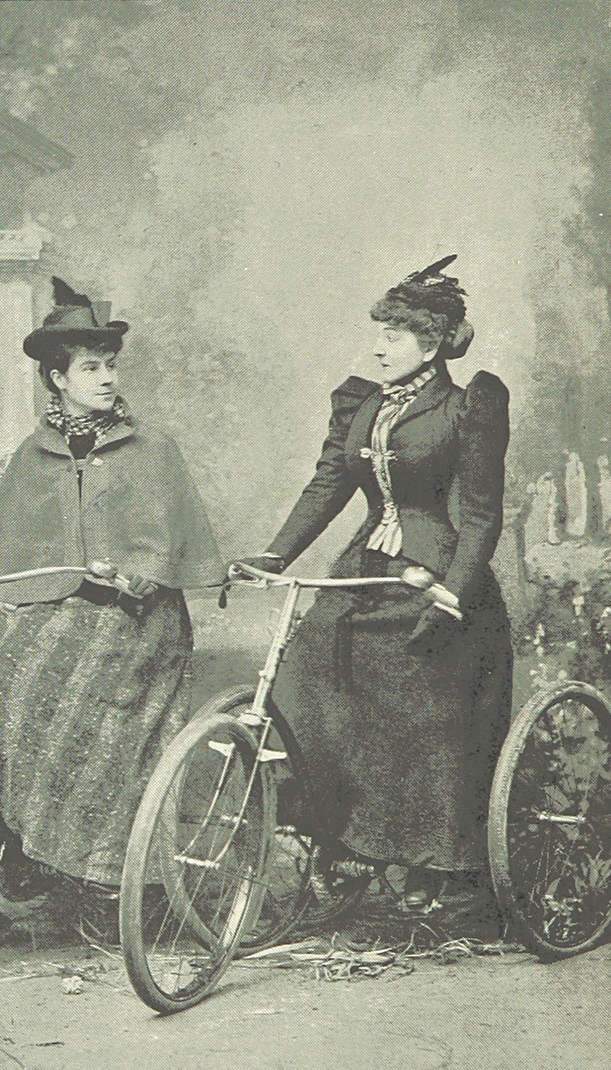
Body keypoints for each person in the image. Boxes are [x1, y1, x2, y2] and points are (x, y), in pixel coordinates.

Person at [237, 255, 512, 911]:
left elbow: (480, 514)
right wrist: (275, 556)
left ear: (433, 343)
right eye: (379, 334)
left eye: (394, 336)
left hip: (437, 578)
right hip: (362, 573)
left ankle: (437, 868)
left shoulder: (468, 407)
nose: (379, 347)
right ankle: (342, 842)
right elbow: (328, 484)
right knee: (311, 676)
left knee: (424, 712)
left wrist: (453, 594)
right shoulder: (360, 403)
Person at [0, 278, 224, 914]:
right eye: (91, 368)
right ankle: (28, 846)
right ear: (58, 378)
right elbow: (2, 535)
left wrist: (141, 573)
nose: (106, 379)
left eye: (110, 366)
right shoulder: (36, 453)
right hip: (62, 609)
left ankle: (90, 864)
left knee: (76, 696)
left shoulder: (150, 447)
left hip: (137, 617)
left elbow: (168, 533)